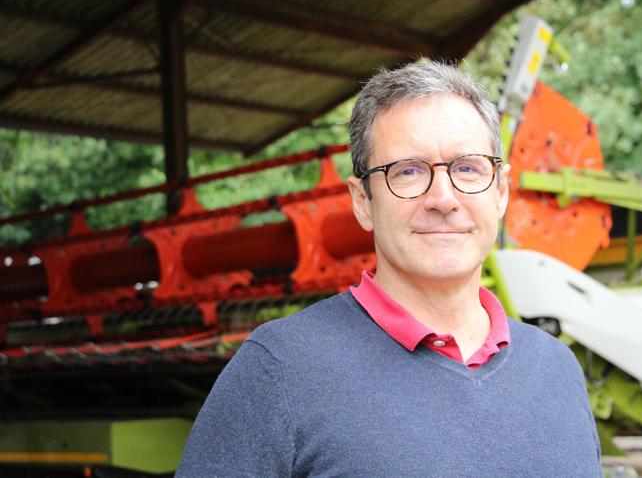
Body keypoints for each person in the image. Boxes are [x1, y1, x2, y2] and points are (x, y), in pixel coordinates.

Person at [176, 61, 602, 477]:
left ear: (501, 192)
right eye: (408, 171)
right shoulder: (280, 371)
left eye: (468, 168)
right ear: (363, 202)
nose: (443, 198)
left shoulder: (556, 370)